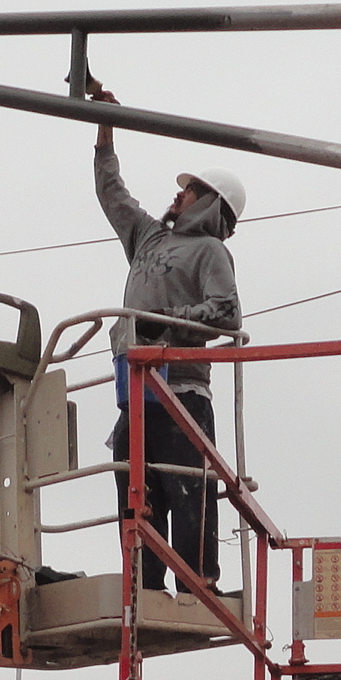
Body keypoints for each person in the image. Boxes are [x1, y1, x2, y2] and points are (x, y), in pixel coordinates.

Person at [88, 82, 244, 592]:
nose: (178, 194)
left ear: (210, 205)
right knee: (138, 498)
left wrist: (167, 320)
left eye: (190, 189)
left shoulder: (210, 253)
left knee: (189, 491)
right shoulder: (148, 237)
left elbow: (227, 313)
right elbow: (112, 193)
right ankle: (145, 590)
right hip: (137, 393)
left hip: (182, 392)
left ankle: (198, 585)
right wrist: (106, 128)